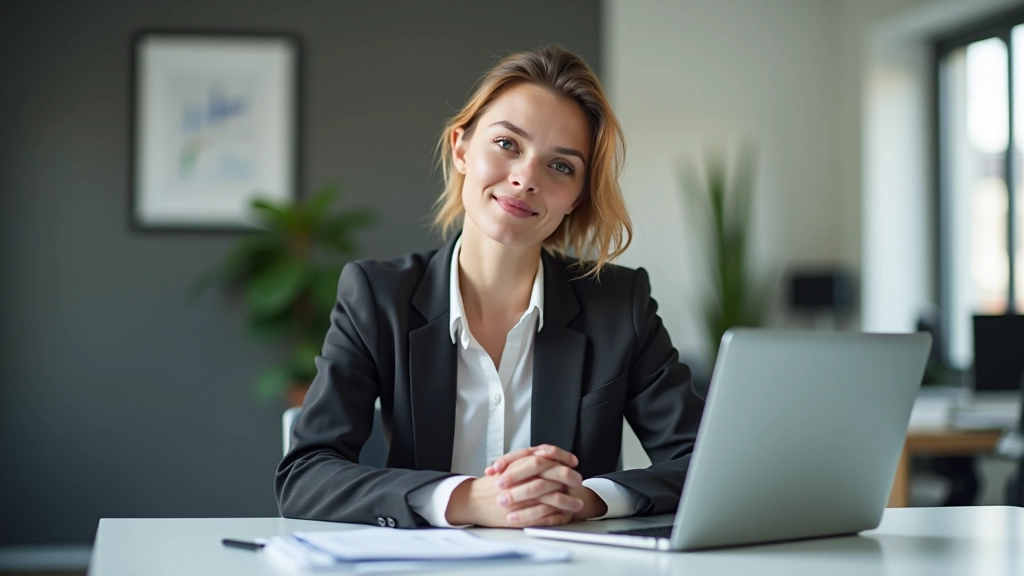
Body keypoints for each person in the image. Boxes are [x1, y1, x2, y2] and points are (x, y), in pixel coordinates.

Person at [275, 45, 705, 529]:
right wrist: (466, 499)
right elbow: (306, 475)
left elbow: (702, 464)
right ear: (461, 148)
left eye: (560, 166)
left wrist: (586, 499)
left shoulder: (619, 305)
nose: (525, 179)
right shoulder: (376, 296)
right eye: (507, 144)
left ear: (576, 198)